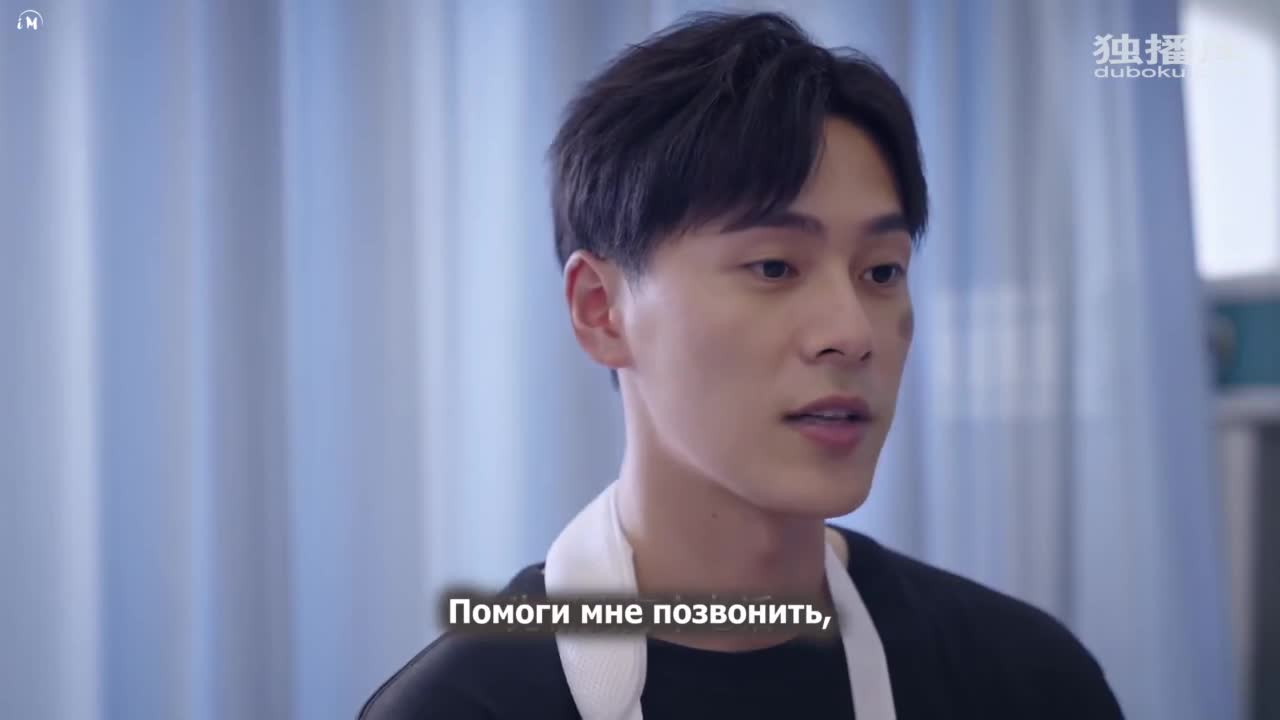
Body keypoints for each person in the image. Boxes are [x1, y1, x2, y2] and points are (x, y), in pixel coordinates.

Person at [361, 10, 1124, 719]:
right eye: (773, 267)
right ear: (601, 309)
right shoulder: (467, 706)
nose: (851, 333)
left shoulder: (1023, 679)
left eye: (882, 271)